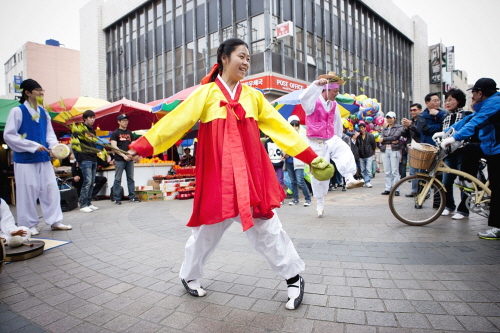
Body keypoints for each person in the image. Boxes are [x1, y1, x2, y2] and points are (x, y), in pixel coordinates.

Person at [128, 38, 333, 310]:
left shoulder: (254, 97)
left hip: (249, 179)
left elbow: (282, 130)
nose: (246, 62)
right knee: (205, 234)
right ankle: (189, 277)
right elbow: (174, 124)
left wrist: (311, 157)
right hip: (218, 181)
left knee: (269, 229)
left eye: (249, 58)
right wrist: (141, 146)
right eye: (241, 56)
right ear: (224, 58)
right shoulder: (205, 95)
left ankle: (294, 278)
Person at [3, 79, 72, 235]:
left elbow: (50, 134)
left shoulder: (44, 112)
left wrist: (55, 148)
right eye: (38, 90)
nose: (41, 93)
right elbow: (9, 135)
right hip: (25, 160)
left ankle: (55, 221)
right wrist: (32, 146)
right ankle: (28, 225)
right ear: (28, 93)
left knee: (50, 189)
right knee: (27, 191)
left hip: (44, 158)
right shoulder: (18, 111)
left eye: (42, 90)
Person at [439, 78, 500, 239]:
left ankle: (497, 227)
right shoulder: (486, 104)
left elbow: (476, 122)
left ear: (480, 93)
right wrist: (448, 131)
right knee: (469, 149)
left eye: (473, 93)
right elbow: (469, 120)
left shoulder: (495, 103)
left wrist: (454, 138)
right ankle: (468, 181)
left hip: (498, 150)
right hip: (490, 146)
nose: (472, 96)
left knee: (497, 188)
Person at [299, 72, 362, 217]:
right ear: (327, 90)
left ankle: (349, 178)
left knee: (345, 150)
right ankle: (319, 201)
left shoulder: (334, 104)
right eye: (335, 91)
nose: (336, 94)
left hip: (330, 138)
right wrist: (316, 84)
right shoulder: (312, 103)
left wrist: (338, 140)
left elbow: (337, 123)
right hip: (315, 141)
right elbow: (303, 98)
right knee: (320, 174)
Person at [436, 89, 473, 220]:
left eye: (451, 99)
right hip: (449, 154)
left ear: (459, 101)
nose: (447, 102)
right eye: (446, 100)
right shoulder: (445, 118)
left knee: (463, 183)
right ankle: (449, 206)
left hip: (463, 152)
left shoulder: (466, 115)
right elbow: (444, 134)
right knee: (446, 182)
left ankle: (463, 210)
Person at [110, 114, 140, 204]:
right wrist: (124, 155)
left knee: (130, 178)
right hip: (119, 159)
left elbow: (134, 145)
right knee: (118, 179)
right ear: (118, 122)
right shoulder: (115, 133)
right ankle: (116, 198)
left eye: (126, 120)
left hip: (129, 159)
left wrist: (132, 154)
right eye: (123, 120)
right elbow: (114, 146)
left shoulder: (130, 133)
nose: (125, 122)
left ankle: (132, 196)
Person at [73, 110, 99, 213]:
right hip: (84, 158)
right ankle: (83, 203)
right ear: (85, 118)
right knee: (87, 181)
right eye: (90, 118)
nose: (92, 120)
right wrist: (78, 159)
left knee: (92, 181)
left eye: (93, 117)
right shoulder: (79, 130)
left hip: (93, 158)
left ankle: (88, 202)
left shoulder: (92, 131)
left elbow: (94, 145)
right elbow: (75, 146)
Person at [285, 119, 312, 206]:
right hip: (289, 161)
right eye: (292, 125)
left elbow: (305, 148)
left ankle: (308, 199)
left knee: (300, 180)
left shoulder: (302, 136)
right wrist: (284, 153)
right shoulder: (287, 136)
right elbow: (283, 147)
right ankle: (295, 199)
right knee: (293, 181)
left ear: (299, 127)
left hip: (299, 161)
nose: (294, 127)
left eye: (296, 126)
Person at [380, 111, 404, 195]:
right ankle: (388, 188)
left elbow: (395, 136)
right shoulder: (385, 128)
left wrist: (385, 139)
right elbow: (381, 138)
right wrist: (389, 140)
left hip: (394, 150)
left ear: (395, 119)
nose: (389, 120)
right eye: (387, 118)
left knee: (395, 171)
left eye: (391, 118)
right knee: (387, 171)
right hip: (385, 150)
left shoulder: (399, 127)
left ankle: (396, 189)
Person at [402, 103, 422, 197]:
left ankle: (424, 192)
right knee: (412, 172)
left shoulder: (422, 120)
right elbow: (405, 135)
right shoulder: (411, 122)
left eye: (415, 110)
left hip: (421, 149)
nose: (412, 112)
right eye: (411, 110)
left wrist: (410, 125)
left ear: (420, 110)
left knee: (421, 172)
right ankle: (414, 191)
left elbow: (420, 132)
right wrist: (406, 127)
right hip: (411, 149)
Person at [356, 123, 376, 188]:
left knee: (368, 169)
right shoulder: (358, 137)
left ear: (365, 128)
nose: (361, 129)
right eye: (360, 128)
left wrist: (372, 151)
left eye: (362, 127)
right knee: (363, 169)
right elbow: (357, 146)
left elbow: (374, 145)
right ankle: (365, 181)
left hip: (369, 154)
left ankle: (367, 181)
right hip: (361, 155)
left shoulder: (370, 136)